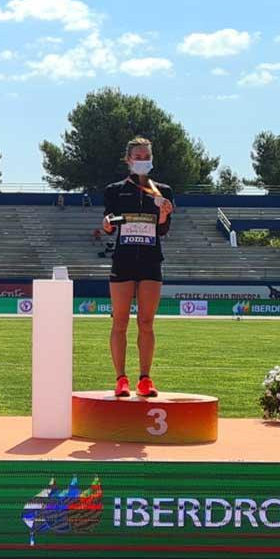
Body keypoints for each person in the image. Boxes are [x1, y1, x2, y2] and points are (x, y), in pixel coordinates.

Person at [101, 137, 174, 398]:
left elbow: (163, 229)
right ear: (128, 160)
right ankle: (121, 379)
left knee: (146, 322)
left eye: (147, 156)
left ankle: (145, 378)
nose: (143, 160)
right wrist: (108, 223)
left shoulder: (162, 190)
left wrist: (164, 214)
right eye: (138, 156)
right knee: (119, 322)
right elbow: (110, 222)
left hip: (151, 262)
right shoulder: (115, 190)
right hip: (123, 261)